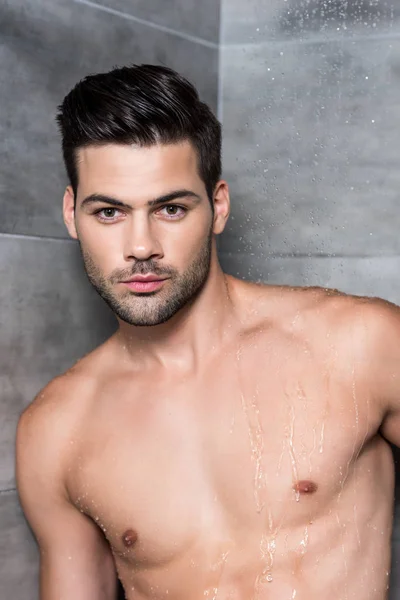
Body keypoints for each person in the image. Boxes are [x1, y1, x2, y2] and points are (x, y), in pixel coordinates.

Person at [15, 63, 400, 600]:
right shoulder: (56, 432)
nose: (141, 245)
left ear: (217, 206)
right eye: (109, 212)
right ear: (71, 214)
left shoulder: (361, 344)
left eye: (170, 208)